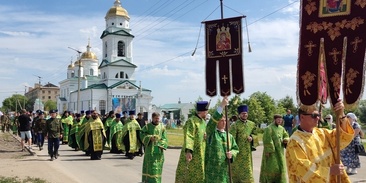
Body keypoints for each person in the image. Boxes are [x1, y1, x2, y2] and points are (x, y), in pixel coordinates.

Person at [286, 99, 354, 182]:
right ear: (302, 117)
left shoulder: (322, 133)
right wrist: (330, 171)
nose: (318, 118)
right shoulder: (295, 141)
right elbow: (302, 167)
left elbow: (343, 137)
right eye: (314, 115)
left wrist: (341, 114)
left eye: (318, 115)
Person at [205, 96, 239, 183]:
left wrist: (231, 154)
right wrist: (222, 106)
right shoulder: (212, 133)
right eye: (221, 120)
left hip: (224, 170)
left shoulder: (229, 136)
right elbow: (212, 122)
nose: (224, 122)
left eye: (225, 120)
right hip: (212, 170)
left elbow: (235, 149)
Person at [175, 101, 209, 183]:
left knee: (200, 175)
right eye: (206, 111)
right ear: (203, 111)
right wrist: (189, 151)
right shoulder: (192, 121)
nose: (207, 113)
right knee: (188, 175)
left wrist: (206, 136)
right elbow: (189, 136)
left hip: (201, 153)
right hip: (192, 154)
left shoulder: (203, 122)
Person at [229, 105, 258, 183]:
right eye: (243, 113)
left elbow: (255, 134)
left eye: (246, 113)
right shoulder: (234, 125)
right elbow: (231, 139)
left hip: (247, 153)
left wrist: (252, 138)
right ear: (239, 115)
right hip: (238, 153)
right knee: (237, 172)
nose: (245, 115)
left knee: (248, 172)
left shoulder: (251, 124)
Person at [259, 114, 289, 183]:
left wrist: (285, 139)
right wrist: (269, 150)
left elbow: (286, 135)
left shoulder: (282, 128)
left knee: (280, 167)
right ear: (274, 120)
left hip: (280, 151)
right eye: (278, 119)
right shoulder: (269, 128)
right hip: (272, 152)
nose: (279, 121)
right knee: (271, 167)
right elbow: (267, 139)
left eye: (280, 120)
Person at [140, 112, 168, 183]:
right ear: (152, 118)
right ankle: (148, 181)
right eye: (155, 118)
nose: (157, 120)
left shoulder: (162, 127)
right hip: (149, 151)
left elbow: (165, 138)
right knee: (150, 167)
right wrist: (149, 138)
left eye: (158, 118)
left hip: (159, 151)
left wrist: (162, 144)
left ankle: (157, 181)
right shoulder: (147, 126)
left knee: (157, 167)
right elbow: (141, 134)